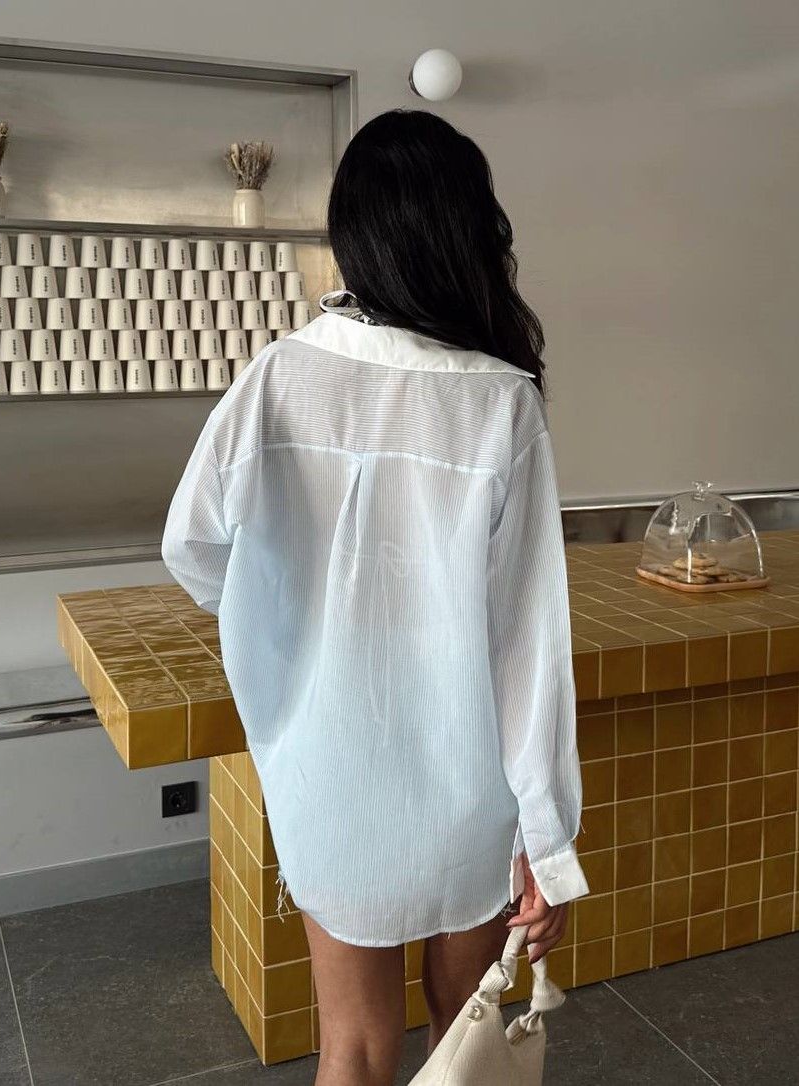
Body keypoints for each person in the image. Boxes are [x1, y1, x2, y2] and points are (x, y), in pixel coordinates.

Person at [161, 108, 590, 1086]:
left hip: (329, 768)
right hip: (464, 771)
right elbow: (525, 644)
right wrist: (547, 836)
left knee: (351, 1047)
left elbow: (192, 547)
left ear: (354, 234)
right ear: (469, 233)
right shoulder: (500, 401)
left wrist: (286, 621)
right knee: (464, 1029)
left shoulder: (280, 375)